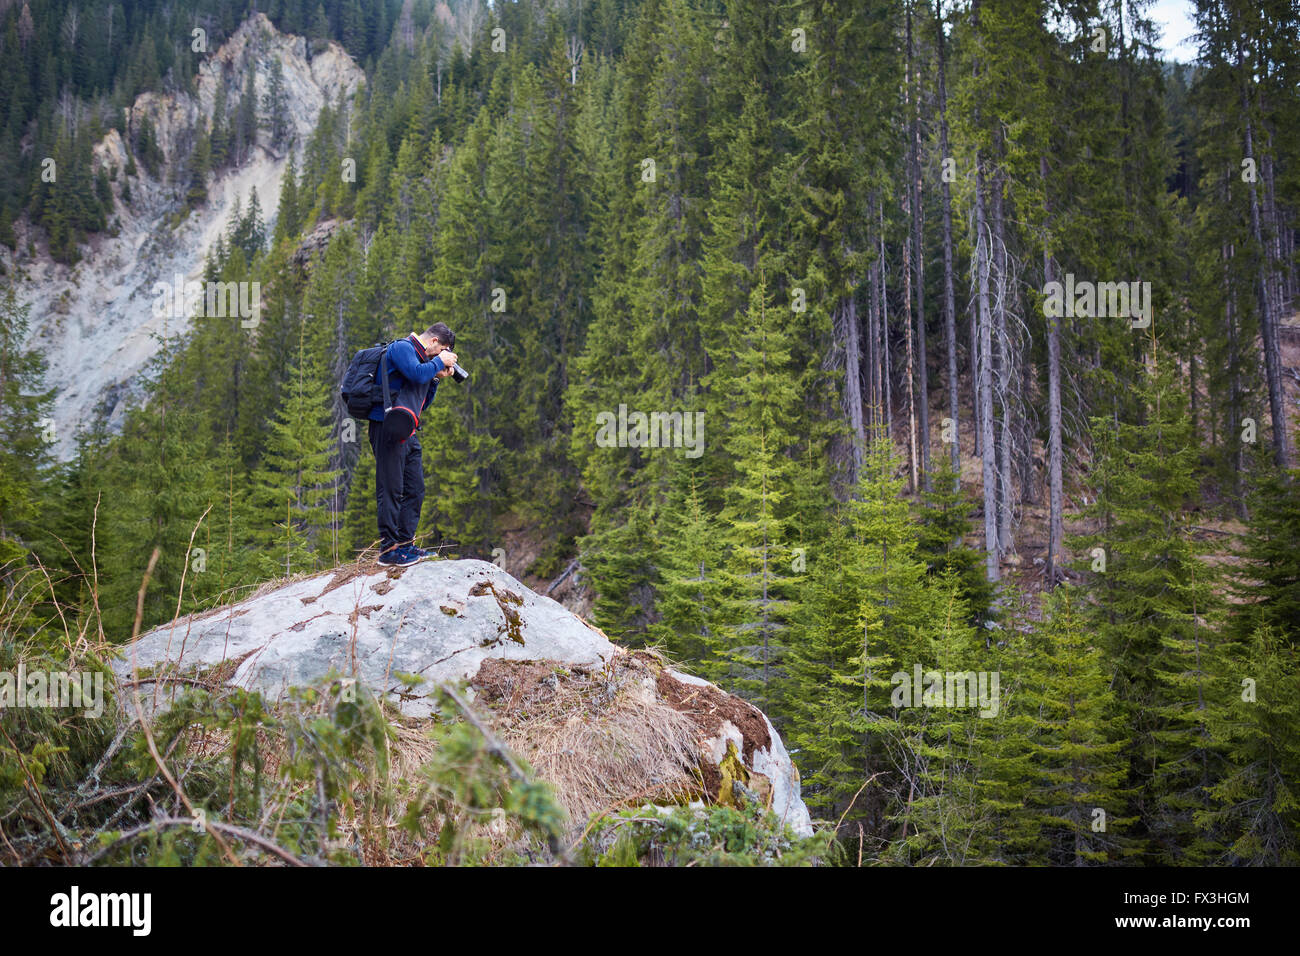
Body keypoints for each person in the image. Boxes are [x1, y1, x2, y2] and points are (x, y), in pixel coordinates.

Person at [368, 322, 458, 566]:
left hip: (408, 431)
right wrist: (438, 363)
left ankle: (406, 546)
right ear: (434, 342)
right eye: (444, 351)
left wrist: (437, 378)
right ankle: (389, 551)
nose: (443, 357)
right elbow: (416, 374)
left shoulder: (425, 364)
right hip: (386, 427)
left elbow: (422, 402)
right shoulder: (402, 348)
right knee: (391, 488)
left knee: (415, 488)